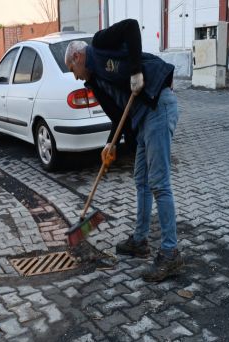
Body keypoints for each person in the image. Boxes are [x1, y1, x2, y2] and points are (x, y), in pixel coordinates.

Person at [64, 19, 182, 282]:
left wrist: (137, 71)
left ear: (77, 55)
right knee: (141, 180)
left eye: (73, 69)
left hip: (157, 106)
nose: (76, 76)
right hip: (141, 121)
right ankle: (139, 241)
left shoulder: (100, 43)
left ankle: (170, 252)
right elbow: (118, 116)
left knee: (159, 183)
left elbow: (131, 26)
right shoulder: (94, 84)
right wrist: (111, 143)